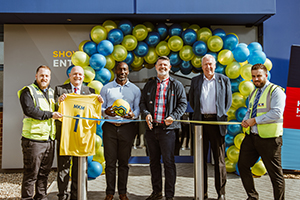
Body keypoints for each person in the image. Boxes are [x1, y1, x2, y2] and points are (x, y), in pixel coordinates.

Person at [140, 56, 187, 200]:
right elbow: (142, 103)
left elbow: (183, 104)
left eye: (165, 65)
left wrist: (173, 116)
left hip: (168, 130)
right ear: (155, 67)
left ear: (170, 67)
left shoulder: (176, 85)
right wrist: (146, 113)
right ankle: (156, 192)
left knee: (168, 163)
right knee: (154, 162)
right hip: (151, 129)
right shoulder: (150, 85)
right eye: (160, 65)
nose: (163, 67)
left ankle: (169, 195)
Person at [54, 66, 103, 200]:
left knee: (79, 168)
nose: (77, 77)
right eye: (74, 74)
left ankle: (77, 195)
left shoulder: (90, 91)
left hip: (82, 137)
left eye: (80, 74)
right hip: (66, 135)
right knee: (63, 168)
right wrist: (59, 102)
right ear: (69, 75)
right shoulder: (60, 90)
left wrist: (99, 104)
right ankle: (62, 195)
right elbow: (54, 109)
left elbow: (96, 115)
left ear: (83, 76)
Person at [238, 64, 286, 200]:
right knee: (242, 165)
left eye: (259, 76)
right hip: (252, 137)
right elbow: (249, 110)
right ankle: (252, 197)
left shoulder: (276, 91)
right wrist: (246, 119)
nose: (256, 79)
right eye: (253, 76)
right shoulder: (254, 93)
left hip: (270, 140)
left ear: (266, 75)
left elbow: (277, 113)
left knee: (275, 175)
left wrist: (255, 120)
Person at [189, 54, 232, 200]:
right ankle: (202, 192)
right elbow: (193, 102)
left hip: (217, 123)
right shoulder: (195, 81)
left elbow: (228, 101)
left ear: (215, 65)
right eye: (205, 64)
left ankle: (221, 193)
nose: (208, 67)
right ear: (202, 66)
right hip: (200, 123)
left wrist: (220, 114)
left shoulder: (223, 80)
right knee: (200, 160)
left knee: (219, 160)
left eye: (211, 64)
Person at [18, 65, 62, 200]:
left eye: (47, 76)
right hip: (33, 141)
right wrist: (51, 114)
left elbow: (57, 111)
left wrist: (60, 103)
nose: (44, 78)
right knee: (31, 174)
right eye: (41, 75)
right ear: (36, 76)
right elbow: (30, 111)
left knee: (44, 173)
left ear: (49, 78)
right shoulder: (27, 91)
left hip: (49, 140)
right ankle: (27, 198)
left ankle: (41, 197)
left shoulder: (51, 93)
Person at [100, 62, 141, 200]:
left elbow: (137, 109)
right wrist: (105, 112)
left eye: (125, 69)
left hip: (127, 128)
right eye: (120, 69)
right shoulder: (106, 88)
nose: (122, 72)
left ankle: (123, 192)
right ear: (115, 70)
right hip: (110, 127)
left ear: (128, 72)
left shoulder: (135, 90)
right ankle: (109, 193)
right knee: (110, 162)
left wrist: (132, 115)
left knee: (123, 163)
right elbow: (100, 108)